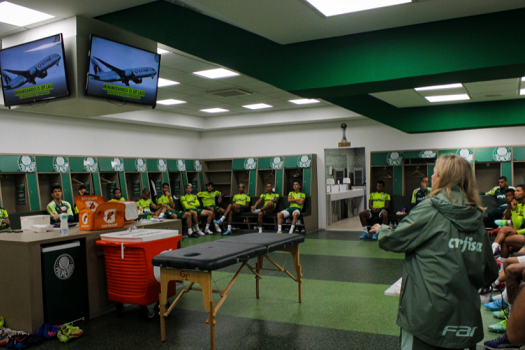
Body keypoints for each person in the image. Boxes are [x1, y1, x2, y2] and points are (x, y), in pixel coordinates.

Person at [370, 154, 499, 350]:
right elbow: (489, 273)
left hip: (426, 318)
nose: (431, 177)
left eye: (435, 173)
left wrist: (382, 230)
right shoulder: (476, 216)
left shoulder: (430, 208)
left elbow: (394, 240)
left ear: (443, 178)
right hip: (465, 320)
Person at [492, 185, 525, 255]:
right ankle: (500, 259)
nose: (515, 193)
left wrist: (518, 232)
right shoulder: (522, 206)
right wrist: (513, 210)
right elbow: (517, 225)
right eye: (515, 191)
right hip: (522, 230)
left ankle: (493, 252)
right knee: (503, 230)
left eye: (518, 191)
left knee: (505, 238)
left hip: (523, 232)